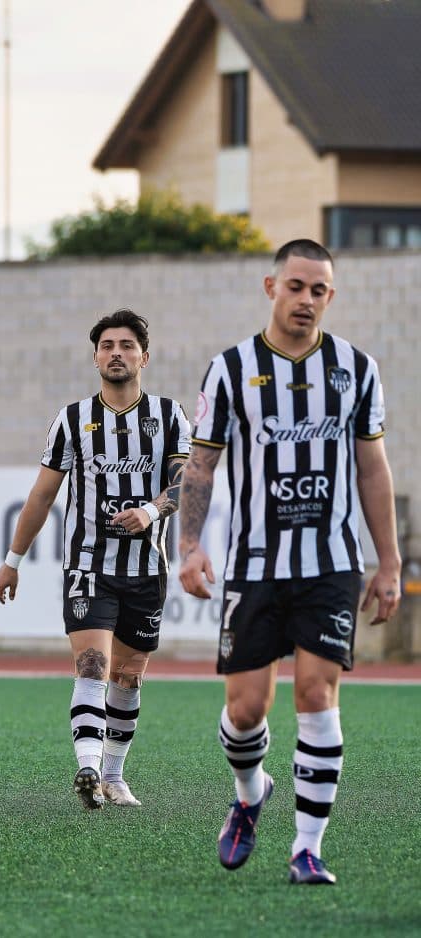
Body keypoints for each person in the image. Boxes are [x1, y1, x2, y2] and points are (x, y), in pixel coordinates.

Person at [179, 239, 400, 886]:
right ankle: (250, 794)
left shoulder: (357, 370)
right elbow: (201, 466)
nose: (306, 300)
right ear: (271, 286)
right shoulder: (229, 369)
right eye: (296, 286)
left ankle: (308, 847)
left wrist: (387, 563)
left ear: (331, 296)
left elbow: (372, 467)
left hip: (332, 563)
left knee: (316, 694)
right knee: (246, 710)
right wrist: (189, 547)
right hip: (254, 564)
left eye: (319, 290)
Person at [0, 310, 191, 809]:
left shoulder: (169, 416)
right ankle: (88, 767)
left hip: (147, 569)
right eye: (107, 345)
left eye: (127, 345)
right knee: (93, 665)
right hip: (88, 565)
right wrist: (13, 559)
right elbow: (41, 496)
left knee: (128, 676)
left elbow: (188, 482)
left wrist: (151, 510)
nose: (116, 352)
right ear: (96, 356)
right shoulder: (73, 419)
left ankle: (115, 775)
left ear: (145, 356)